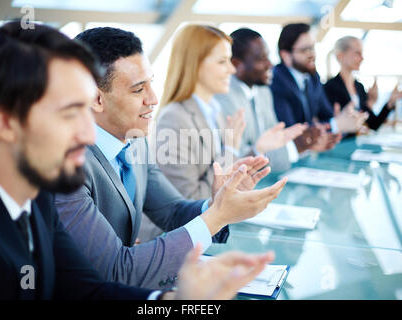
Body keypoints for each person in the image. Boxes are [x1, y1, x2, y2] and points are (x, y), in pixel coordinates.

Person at [0, 21, 275, 300]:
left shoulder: (34, 191)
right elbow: (112, 272)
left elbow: (87, 290)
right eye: (69, 113)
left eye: (85, 108)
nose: (86, 132)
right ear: (5, 122)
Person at [55, 27, 287, 290]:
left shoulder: (135, 139)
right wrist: (218, 216)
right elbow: (117, 269)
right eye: (138, 89)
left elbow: (172, 210)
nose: (153, 99)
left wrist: (216, 203)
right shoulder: (65, 167)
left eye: (151, 83)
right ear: (96, 99)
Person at [155, 24, 286, 201]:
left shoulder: (214, 112)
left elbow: (222, 179)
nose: (232, 70)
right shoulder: (174, 118)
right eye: (222, 61)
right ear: (196, 64)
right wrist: (230, 148)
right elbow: (187, 200)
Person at [215, 28, 306, 173]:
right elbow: (240, 159)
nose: (270, 64)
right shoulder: (223, 98)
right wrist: (292, 148)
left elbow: (275, 140)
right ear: (236, 64)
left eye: (268, 57)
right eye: (261, 59)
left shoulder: (264, 91)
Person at [270, 23, 368, 151]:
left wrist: (344, 119)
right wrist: (336, 124)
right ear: (285, 55)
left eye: (312, 47)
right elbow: (290, 130)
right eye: (305, 50)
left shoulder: (313, 77)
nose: (312, 54)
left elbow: (326, 115)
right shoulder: (276, 81)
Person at [324, 36, 402, 131]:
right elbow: (328, 124)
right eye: (357, 53)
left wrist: (390, 103)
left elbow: (374, 123)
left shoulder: (359, 87)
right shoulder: (328, 88)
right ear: (340, 56)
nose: (362, 58)